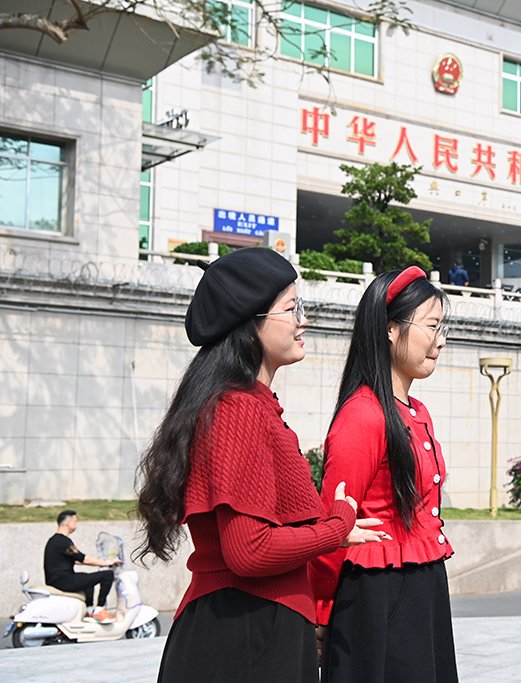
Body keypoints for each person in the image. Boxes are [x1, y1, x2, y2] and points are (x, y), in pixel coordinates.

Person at [134, 248, 386, 683]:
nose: (303, 319)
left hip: (254, 627)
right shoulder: (238, 410)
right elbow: (248, 552)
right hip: (244, 633)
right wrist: (336, 528)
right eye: (292, 308)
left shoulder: (249, 405)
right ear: (250, 324)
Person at [310, 266, 458, 683]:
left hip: (423, 587)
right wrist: (321, 611)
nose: (440, 340)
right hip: (377, 596)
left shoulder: (416, 412)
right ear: (391, 329)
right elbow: (332, 527)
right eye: (431, 327)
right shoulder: (362, 415)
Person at [43, 509, 121, 624]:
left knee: (87, 580)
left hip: (58, 579)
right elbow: (83, 558)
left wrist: (100, 562)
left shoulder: (55, 540)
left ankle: (88, 612)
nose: (76, 524)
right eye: (75, 521)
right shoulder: (63, 541)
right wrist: (108, 563)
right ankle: (100, 610)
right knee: (107, 575)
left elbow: (77, 560)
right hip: (63, 580)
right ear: (68, 523)